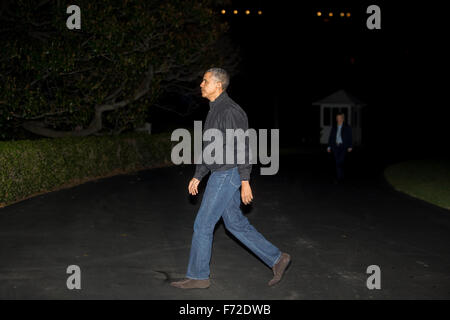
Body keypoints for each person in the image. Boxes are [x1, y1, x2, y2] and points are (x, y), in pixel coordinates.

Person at [170, 68, 291, 289]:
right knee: (235, 223)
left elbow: (243, 147)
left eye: (205, 81)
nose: (201, 84)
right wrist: (198, 175)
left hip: (227, 173)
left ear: (218, 85)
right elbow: (210, 148)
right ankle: (277, 258)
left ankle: (198, 276)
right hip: (220, 172)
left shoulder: (230, 111)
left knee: (203, 224)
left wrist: (245, 181)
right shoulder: (215, 110)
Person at [327, 112, 353, 183]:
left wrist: (350, 146)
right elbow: (331, 137)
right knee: (337, 161)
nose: (338, 119)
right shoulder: (334, 127)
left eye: (339, 118)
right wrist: (329, 146)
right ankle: (339, 177)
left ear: (342, 118)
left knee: (340, 161)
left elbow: (350, 137)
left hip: (343, 146)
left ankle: (340, 175)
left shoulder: (347, 127)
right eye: (337, 118)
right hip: (335, 146)